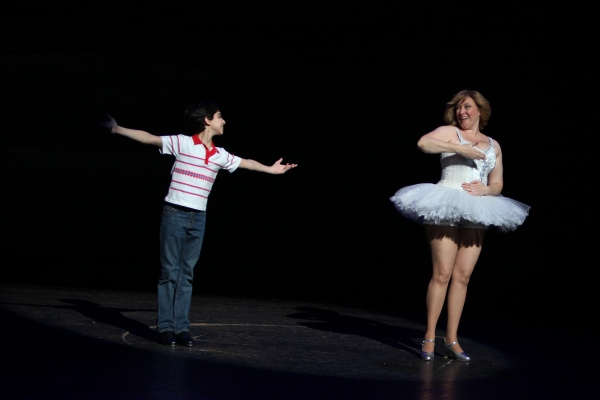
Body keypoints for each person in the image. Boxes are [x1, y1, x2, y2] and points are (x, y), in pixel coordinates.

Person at [101, 101, 297, 347]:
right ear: (207, 120)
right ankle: (165, 328)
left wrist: (271, 170)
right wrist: (118, 129)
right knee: (169, 273)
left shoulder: (219, 155)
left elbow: (246, 162)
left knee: (186, 275)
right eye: (219, 116)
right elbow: (150, 138)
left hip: (198, 218)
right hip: (175, 213)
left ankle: (181, 328)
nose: (223, 121)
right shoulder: (183, 143)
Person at [389, 90, 529, 361]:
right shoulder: (449, 133)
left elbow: (498, 184)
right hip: (445, 201)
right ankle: (429, 337)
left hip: (477, 205)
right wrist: (459, 147)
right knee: (442, 272)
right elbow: (423, 144)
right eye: (458, 108)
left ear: (480, 110)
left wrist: (485, 190)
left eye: (467, 107)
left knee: (462, 276)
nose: (461, 112)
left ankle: (451, 339)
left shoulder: (493, 144)